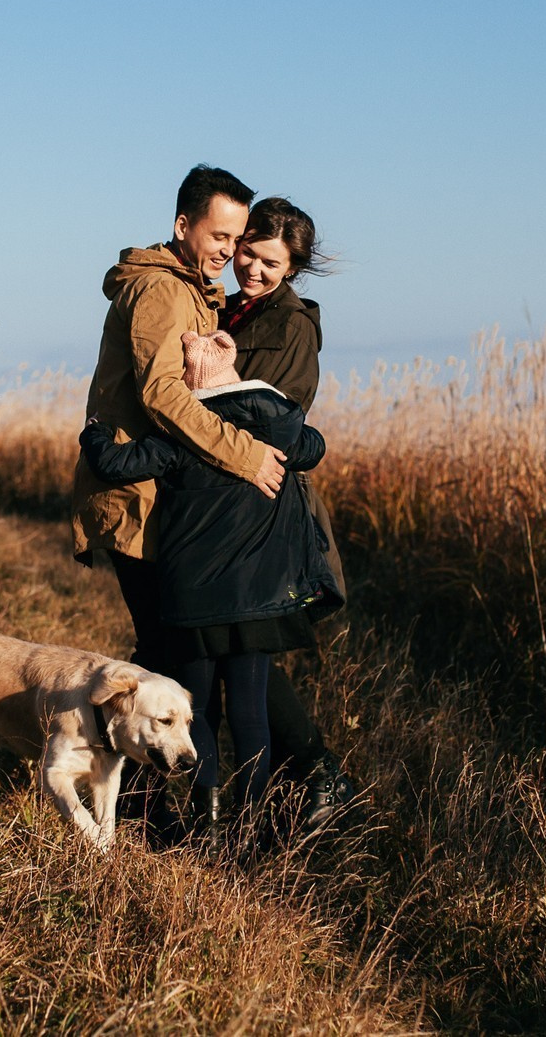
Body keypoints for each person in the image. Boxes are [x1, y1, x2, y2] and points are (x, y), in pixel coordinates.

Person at [71, 166, 286, 831]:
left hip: (160, 499)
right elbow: (165, 395)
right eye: (217, 233)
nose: (226, 248)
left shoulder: (197, 289)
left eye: (235, 236)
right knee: (163, 659)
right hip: (134, 496)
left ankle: (146, 804)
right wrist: (246, 453)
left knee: (166, 657)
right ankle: (146, 808)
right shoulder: (164, 292)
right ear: (183, 225)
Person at [79, 330, 338, 822]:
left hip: (193, 600)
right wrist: (280, 420)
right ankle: (251, 825)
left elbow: (113, 464)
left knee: (197, 713)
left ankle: (209, 821)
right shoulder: (277, 428)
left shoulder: (185, 434)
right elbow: (315, 447)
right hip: (259, 598)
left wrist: (95, 426)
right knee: (250, 712)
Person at [221, 196, 357, 825]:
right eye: (250, 251)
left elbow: (278, 415)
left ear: (292, 270)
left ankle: (316, 772)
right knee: (229, 646)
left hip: (260, 497)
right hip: (225, 495)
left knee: (238, 645)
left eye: (272, 262)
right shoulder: (232, 308)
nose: (254, 267)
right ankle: (296, 776)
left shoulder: (291, 325)